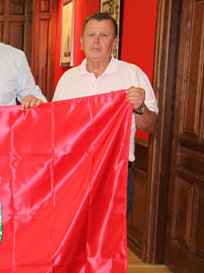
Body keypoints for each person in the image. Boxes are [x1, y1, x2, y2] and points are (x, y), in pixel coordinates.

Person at [52, 12, 158, 216]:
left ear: (115, 41)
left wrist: (140, 108)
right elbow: (56, 126)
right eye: (91, 35)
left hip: (115, 173)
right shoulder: (68, 79)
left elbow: (151, 125)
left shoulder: (132, 74)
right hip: (74, 173)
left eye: (104, 35)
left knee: (110, 241)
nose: (96, 41)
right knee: (73, 238)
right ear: (82, 41)